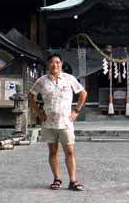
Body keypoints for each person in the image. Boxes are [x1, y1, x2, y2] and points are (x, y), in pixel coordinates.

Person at [28, 53, 87, 191]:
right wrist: (38, 112)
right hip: (49, 122)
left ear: (61, 64)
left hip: (66, 122)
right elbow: (30, 96)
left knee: (70, 151)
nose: (55, 65)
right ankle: (57, 179)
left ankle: (73, 181)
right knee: (53, 151)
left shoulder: (69, 79)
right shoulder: (41, 81)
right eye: (52, 62)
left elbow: (83, 93)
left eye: (58, 62)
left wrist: (76, 111)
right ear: (48, 65)